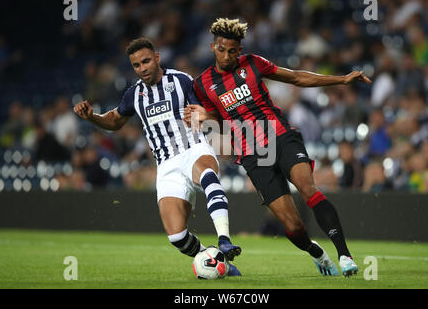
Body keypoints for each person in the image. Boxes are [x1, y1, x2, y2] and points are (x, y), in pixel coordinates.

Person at [184, 18, 372, 277]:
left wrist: (341, 79)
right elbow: (222, 121)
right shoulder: (202, 83)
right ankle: (316, 252)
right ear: (212, 46)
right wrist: (207, 117)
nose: (226, 56)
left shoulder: (253, 63)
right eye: (221, 49)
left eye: (232, 51)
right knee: (293, 225)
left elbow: (296, 78)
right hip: (253, 154)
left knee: (308, 188)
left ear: (240, 50)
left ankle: (345, 255)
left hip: (280, 136)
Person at [74, 37, 241, 275]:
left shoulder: (181, 80)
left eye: (146, 61)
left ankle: (224, 239)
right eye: (136, 65)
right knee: (177, 236)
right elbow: (114, 120)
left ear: (157, 58)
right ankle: (216, 261)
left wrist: (203, 116)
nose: (142, 68)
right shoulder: (134, 94)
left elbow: (208, 113)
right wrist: (92, 117)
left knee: (207, 175)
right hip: (166, 165)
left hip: (192, 148)